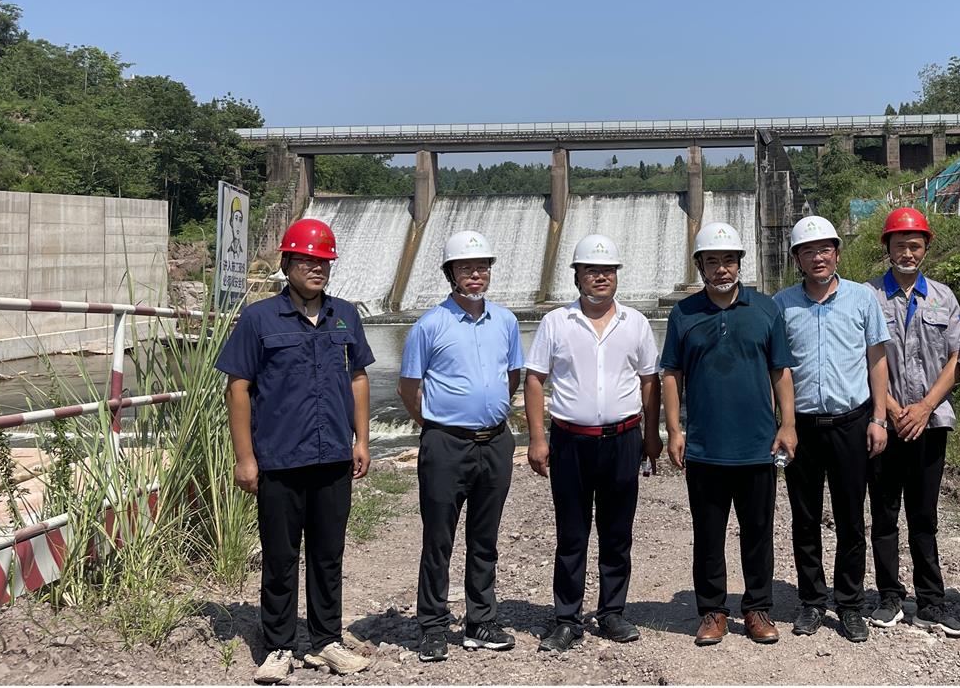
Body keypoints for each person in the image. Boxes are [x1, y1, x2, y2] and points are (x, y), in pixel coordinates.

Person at [216, 219, 373, 683]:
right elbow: (238, 389)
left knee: (328, 555)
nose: (316, 268)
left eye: (323, 261)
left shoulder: (345, 315)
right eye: (306, 260)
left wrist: (362, 440)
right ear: (286, 264)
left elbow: (358, 377)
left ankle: (326, 642)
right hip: (280, 459)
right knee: (280, 557)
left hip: (333, 459)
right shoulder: (259, 319)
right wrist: (245, 458)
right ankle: (279, 647)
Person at [524, 234, 663, 652]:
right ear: (577, 276)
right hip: (570, 442)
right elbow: (535, 379)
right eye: (591, 271)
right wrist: (537, 438)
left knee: (617, 532)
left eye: (607, 271)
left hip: (623, 439)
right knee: (571, 534)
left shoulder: (635, 323)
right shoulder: (556, 322)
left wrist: (651, 437)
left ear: (616, 275)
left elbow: (649, 381)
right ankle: (566, 619)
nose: (601, 277)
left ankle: (612, 613)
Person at [662, 222, 797, 646]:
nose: (722, 269)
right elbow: (672, 374)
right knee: (708, 533)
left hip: (757, 444)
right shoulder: (683, 314)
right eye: (713, 261)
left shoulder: (766, 309)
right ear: (700, 266)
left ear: (740, 263)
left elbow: (780, 370)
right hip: (705, 446)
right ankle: (713, 611)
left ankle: (757, 608)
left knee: (758, 531)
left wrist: (788, 424)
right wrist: (674, 429)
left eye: (729, 260)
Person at [397, 230, 524, 662]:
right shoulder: (430, 325)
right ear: (450, 273)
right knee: (438, 539)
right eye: (466, 267)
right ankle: (432, 626)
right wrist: (437, 426)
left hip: (496, 443)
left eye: (482, 267)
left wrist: (489, 411)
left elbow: (512, 376)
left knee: (485, 538)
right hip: (446, 445)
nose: (475, 274)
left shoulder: (506, 321)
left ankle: (480, 621)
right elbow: (409, 387)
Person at [773, 214, 891, 643]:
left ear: (837, 253)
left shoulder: (862, 298)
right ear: (797, 259)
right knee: (804, 519)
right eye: (808, 251)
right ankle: (810, 601)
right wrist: (783, 424)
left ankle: (850, 603)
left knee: (850, 518)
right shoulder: (781, 305)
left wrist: (879, 417)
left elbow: (876, 359)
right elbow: (778, 368)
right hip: (801, 427)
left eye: (824, 249)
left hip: (851, 422)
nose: (818, 257)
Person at [864, 207, 960, 637]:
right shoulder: (866, 296)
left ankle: (931, 601)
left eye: (915, 245)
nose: (907, 252)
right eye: (900, 245)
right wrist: (890, 407)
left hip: (930, 422)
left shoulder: (944, 298)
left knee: (924, 516)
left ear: (926, 248)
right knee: (884, 513)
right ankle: (889, 596)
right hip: (883, 423)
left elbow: (957, 358)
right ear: (886, 247)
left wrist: (925, 407)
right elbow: (860, 357)